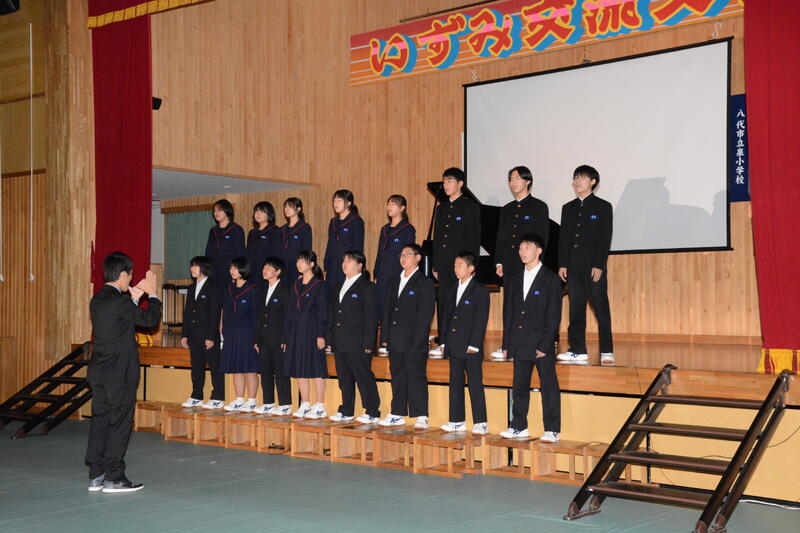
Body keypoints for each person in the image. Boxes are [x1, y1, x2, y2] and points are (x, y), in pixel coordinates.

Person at [85, 252, 161, 493]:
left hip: (99, 369)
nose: (131, 279)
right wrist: (153, 294)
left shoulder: (97, 299)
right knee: (119, 422)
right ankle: (114, 477)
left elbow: (119, 324)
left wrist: (134, 300)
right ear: (121, 274)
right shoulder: (120, 302)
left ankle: (96, 474)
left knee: (100, 420)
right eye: (130, 275)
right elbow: (150, 319)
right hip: (119, 371)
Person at [499, 234, 562, 442]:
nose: (522, 251)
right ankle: (519, 426)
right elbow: (508, 313)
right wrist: (506, 343)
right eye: (520, 248)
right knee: (519, 386)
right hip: (519, 341)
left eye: (527, 247)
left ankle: (552, 429)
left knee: (549, 386)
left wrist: (546, 343)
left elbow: (554, 315)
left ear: (539, 251)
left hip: (541, 343)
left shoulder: (551, 279)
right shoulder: (515, 278)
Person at [556, 165, 614, 365]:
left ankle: (607, 350)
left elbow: (605, 238)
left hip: (593, 268)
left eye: (581, 177)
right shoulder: (568, 208)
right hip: (573, 268)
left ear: (593, 181)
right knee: (576, 310)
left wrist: (599, 264)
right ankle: (578, 350)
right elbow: (564, 239)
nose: (577, 181)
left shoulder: (603, 206)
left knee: (601, 309)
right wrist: (562, 264)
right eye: (575, 177)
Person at [491, 165, 550, 359]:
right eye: (510, 179)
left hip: (530, 266)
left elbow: (543, 237)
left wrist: (537, 263)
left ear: (527, 181)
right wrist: (499, 262)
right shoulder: (507, 209)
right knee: (509, 306)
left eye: (517, 178)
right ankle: (506, 345)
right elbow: (500, 238)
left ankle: (532, 344)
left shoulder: (539, 206)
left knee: (532, 306)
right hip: (510, 265)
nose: (512, 182)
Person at [378, 243, 436, 429]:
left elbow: (425, 315)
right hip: (395, 338)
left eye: (407, 254)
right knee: (397, 376)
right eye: (401, 255)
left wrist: (418, 340)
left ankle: (421, 415)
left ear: (418, 258)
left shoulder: (424, 282)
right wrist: (385, 339)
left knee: (416, 376)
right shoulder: (394, 281)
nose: (403, 258)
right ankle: (397, 412)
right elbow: (387, 311)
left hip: (414, 340)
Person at [431, 167, 481, 357]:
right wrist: (436, 264)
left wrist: (470, 266)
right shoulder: (441, 208)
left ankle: (461, 341)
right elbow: (438, 238)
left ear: (460, 184)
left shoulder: (470, 207)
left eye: (449, 181)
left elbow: (474, 238)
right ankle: (443, 342)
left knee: (461, 305)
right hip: (444, 265)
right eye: (444, 181)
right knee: (444, 303)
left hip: (462, 266)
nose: (445, 185)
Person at [327, 251, 381, 424]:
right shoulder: (338, 286)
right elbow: (334, 314)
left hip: (358, 341)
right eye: (344, 260)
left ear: (360, 265)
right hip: (340, 340)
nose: (345, 263)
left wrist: (368, 343)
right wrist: (331, 339)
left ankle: (372, 411)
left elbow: (371, 317)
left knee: (364, 377)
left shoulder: (367, 287)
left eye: (349, 260)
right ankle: (347, 410)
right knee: (344, 378)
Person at [439, 252, 489, 435]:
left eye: (460, 265)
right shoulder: (451, 289)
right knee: (455, 383)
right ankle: (456, 420)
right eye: (455, 265)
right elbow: (445, 317)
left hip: (470, 346)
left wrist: (475, 343)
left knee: (475, 383)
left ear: (471, 268)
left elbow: (480, 319)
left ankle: (481, 422)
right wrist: (443, 341)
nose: (456, 269)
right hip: (454, 343)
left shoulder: (480, 290)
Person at [283, 250, 329, 419]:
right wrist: (286, 337)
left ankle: (320, 405)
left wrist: (320, 334)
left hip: (312, 331)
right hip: (296, 332)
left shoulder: (319, 285)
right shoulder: (295, 285)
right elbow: (289, 312)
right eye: (298, 261)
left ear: (312, 264)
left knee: (316, 368)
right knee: (299, 368)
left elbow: (323, 312)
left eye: (303, 261)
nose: (299, 264)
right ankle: (306, 403)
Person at [180, 256, 224, 410]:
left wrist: (211, 336)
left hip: (208, 335)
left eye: (196, 266)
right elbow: (187, 312)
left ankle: (218, 396)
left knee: (215, 367)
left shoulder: (214, 287)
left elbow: (215, 313)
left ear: (204, 268)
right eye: (191, 266)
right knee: (196, 367)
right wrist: (185, 334)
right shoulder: (191, 288)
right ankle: (196, 396)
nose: (192, 269)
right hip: (194, 335)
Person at [373, 194, 416, 355]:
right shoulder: (384, 229)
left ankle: (395, 341)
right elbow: (379, 253)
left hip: (397, 271)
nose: (389, 207)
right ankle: (383, 341)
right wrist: (376, 272)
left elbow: (408, 254)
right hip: (383, 272)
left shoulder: (407, 229)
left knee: (394, 306)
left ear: (402, 208)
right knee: (382, 306)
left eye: (393, 204)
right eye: (388, 204)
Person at [220, 257, 261, 412]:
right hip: (231, 333)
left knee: (249, 367)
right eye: (231, 267)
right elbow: (225, 311)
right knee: (236, 367)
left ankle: (252, 400)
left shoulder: (253, 289)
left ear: (243, 269)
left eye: (235, 268)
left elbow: (257, 315)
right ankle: (239, 399)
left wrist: (256, 337)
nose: (232, 271)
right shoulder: (228, 289)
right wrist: (222, 327)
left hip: (247, 333)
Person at [253, 257, 292, 415]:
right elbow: (259, 317)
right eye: (264, 267)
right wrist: (257, 339)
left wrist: (285, 338)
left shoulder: (285, 290)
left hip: (278, 339)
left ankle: (285, 404)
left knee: (281, 372)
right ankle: (268, 402)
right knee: (265, 372)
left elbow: (288, 317)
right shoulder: (263, 291)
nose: (265, 270)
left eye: (269, 267)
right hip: (264, 338)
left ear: (278, 271)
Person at [324, 189, 364, 296]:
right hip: (332, 265)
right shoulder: (333, 222)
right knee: (331, 294)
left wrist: (354, 265)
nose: (335, 203)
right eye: (334, 201)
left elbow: (358, 246)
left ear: (349, 203)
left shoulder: (356, 221)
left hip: (347, 265)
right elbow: (330, 244)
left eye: (339, 200)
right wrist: (326, 265)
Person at [205, 199, 245, 291]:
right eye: (215, 211)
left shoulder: (236, 229)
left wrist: (237, 273)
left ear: (227, 211)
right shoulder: (213, 231)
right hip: (214, 271)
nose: (216, 213)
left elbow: (239, 253)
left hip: (229, 271)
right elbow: (208, 252)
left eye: (220, 210)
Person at [278, 197, 312, 287]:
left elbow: (306, 250)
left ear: (298, 209)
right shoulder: (281, 229)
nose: (287, 209)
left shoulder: (305, 228)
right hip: (282, 267)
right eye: (285, 206)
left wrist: (302, 272)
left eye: (290, 206)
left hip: (296, 267)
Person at [246, 201, 280, 288]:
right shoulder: (252, 232)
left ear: (269, 214)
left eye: (261, 212)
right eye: (256, 211)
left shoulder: (275, 230)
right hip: (251, 271)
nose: (258, 214)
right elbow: (247, 253)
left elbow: (276, 253)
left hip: (266, 271)